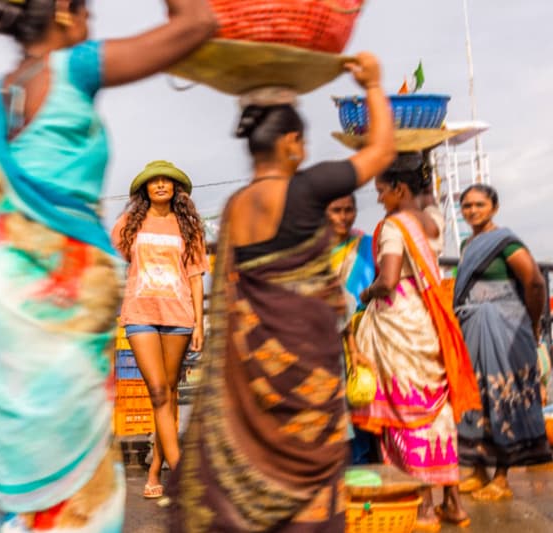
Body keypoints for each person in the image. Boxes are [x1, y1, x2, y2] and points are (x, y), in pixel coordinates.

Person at [0, 1, 216, 531]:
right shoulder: (73, 68)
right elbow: (199, 23)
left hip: (6, 318)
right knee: (79, 478)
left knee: (38, 469)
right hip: (65, 316)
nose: (92, 25)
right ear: (64, 14)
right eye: (87, 12)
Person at [168, 53, 395, 532]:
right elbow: (381, 153)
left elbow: (229, 295)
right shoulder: (308, 188)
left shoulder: (235, 207)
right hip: (307, 371)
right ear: (292, 142)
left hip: (256, 376)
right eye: (303, 140)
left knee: (259, 464)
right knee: (311, 485)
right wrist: (373, 85)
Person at [351, 153, 482, 531]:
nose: (378, 199)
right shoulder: (434, 221)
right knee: (436, 411)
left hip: (400, 324)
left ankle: (423, 507)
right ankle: (453, 503)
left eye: (381, 191)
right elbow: (428, 198)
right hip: (429, 321)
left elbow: (389, 279)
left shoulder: (394, 225)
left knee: (406, 414)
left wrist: (367, 294)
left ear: (399, 188)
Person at [111, 160, 208, 499]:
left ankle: (155, 471)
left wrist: (198, 322)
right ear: (146, 189)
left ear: (176, 189)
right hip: (140, 314)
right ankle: (181, 473)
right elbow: (111, 260)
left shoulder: (189, 228)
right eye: (155, 181)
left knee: (166, 394)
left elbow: (195, 276)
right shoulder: (129, 223)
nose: (162, 185)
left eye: (168, 180)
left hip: (178, 317)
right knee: (156, 391)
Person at [454, 184, 551, 501]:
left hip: (505, 330)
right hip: (474, 330)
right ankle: (479, 470)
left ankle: (501, 478)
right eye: (466, 205)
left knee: (503, 396)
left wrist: (531, 322)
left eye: (479, 205)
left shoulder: (506, 242)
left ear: (494, 207)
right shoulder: (468, 244)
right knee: (477, 398)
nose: (472, 211)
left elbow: (535, 281)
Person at [326, 195, 379, 465]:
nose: (343, 216)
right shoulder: (314, 254)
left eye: (349, 210)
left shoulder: (369, 247)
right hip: (326, 340)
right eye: (336, 210)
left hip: (367, 335)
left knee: (364, 401)